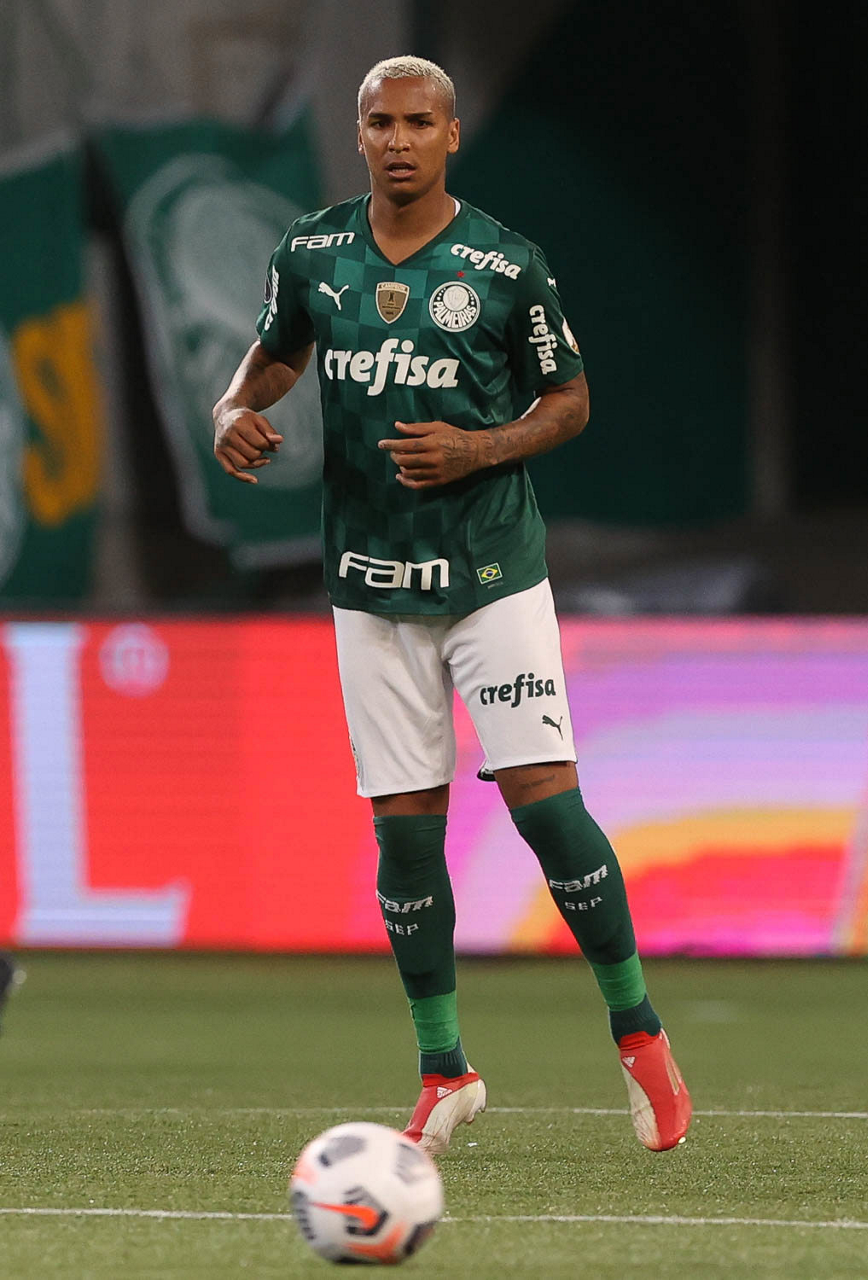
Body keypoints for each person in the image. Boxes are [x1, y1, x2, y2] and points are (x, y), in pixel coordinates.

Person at [213, 55, 691, 1154]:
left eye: (418, 122)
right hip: (369, 584)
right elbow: (272, 357)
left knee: (545, 806)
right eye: (380, 122)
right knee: (403, 832)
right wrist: (232, 409)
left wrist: (479, 447)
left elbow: (569, 399)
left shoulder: (504, 265)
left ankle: (638, 1032)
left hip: (488, 576)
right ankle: (445, 1068)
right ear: (360, 132)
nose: (398, 140)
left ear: (451, 135)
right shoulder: (312, 251)